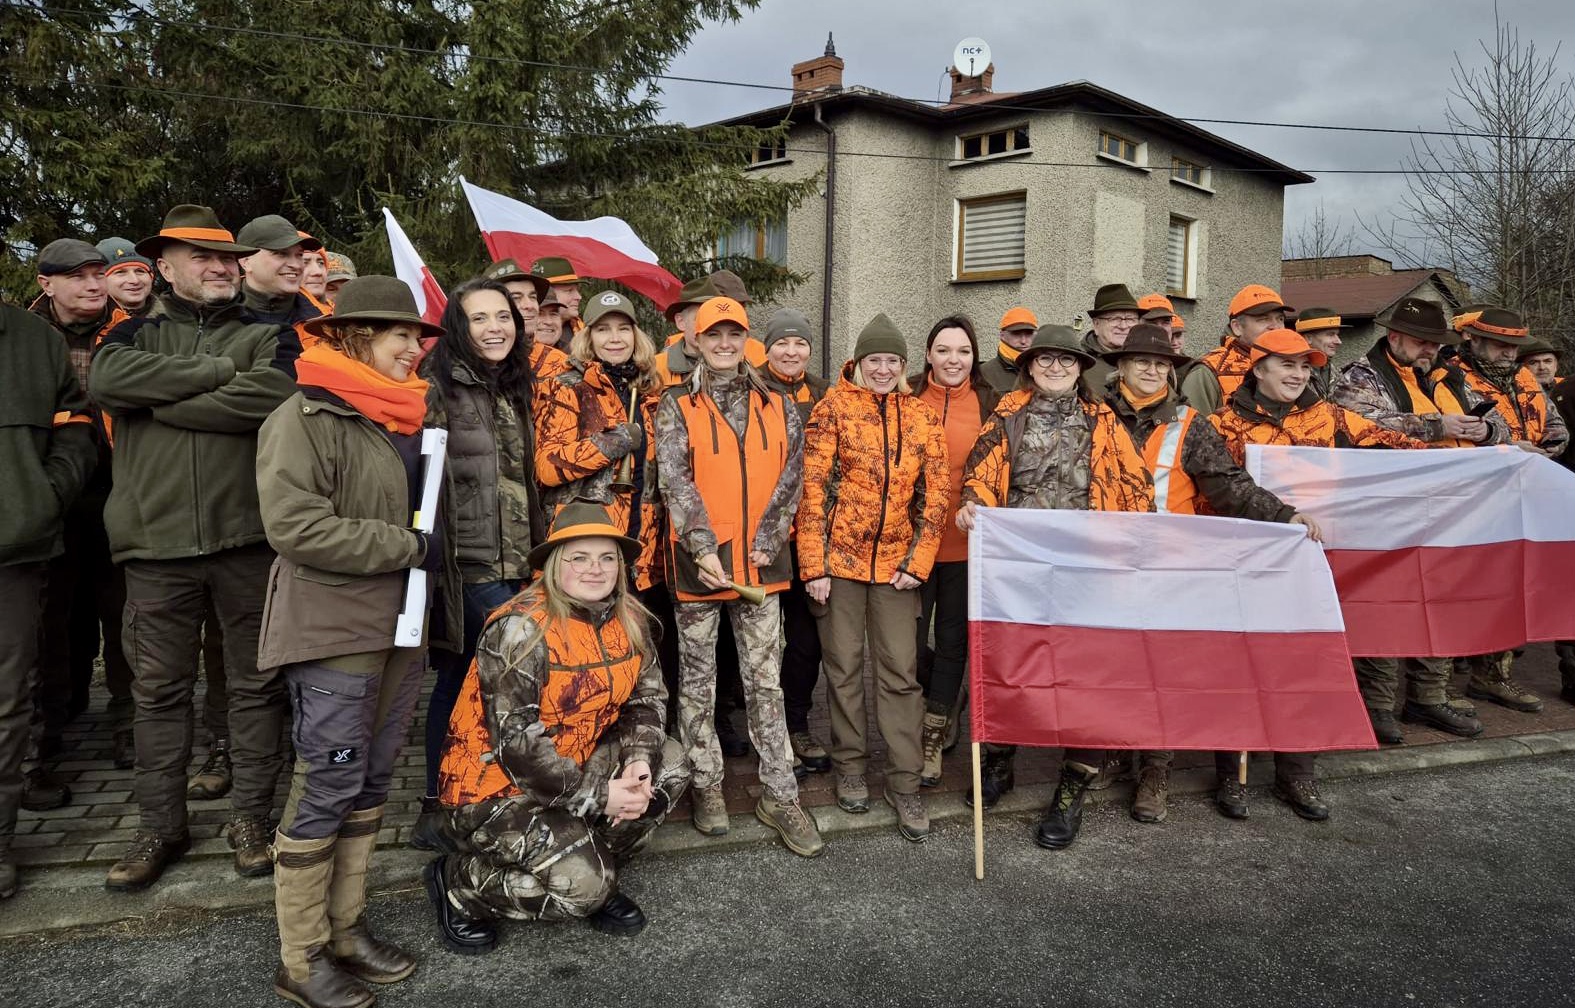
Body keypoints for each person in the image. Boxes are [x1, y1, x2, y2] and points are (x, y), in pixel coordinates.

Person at [91, 205, 299, 889]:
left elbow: (268, 399)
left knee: (254, 690)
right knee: (157, 695)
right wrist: (216, 374)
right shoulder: (129, 338)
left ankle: (251, 820)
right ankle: (160, 827)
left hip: (247, 541)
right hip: (153, 546)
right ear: (166, 267)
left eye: (227, 259)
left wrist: (164, 396)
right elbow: (107, 384)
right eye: (200, 258)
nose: (219, 268)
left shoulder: (271, 339)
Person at [255, 276, 441, 1008]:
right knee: (327, 780)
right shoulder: (306, 415)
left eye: (417, 338)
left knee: (369, 779)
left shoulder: (407, 417)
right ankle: (299, 960)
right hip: (335, 626)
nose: (413, 349)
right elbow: (295, 527)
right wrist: (404, 545)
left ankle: (345, 930)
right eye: (401, 337)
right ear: (357, 337)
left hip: (401, 626)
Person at [425, 503, 690, 951]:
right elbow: (517, 747)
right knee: (583, 891)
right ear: (553, 564)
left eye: (607, 558)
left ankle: (592, 864)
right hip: (495, 789)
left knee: (672, 765)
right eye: (579, 557)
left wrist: (638, 765)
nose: (595, 569)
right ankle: (459, 884)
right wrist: (603, 794)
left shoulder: (630, 619)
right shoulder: (519, 628)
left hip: (571, 769)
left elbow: (647, 701)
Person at [1102, 323, 1320, 823]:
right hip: (1108, 563)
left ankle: (1157, 768)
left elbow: (1228, 486)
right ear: (1121, 366)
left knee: (1162, 670)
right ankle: (1114, 750)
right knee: (1115, 664)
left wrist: (1283, 515)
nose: (1152, 370)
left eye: (1161, 364)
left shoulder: (1189, 424)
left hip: (1169, 567)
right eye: (1142, 362)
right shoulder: (1093, 414)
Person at [1209, 328, 1429, 821]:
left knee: (1303, 664)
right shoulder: (1220, 425)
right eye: (1286, 364)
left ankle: (1297, 772)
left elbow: (1397, 446)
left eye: (1305, 366)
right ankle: (1232, 772)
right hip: (1246, 564)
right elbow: (1212, 494)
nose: (1298, 374)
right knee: (1240, 667)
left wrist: (1492, 455)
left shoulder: (1328, 417)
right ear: (1258, 367)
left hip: (1311, 564)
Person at [956, 324, 1154, 849]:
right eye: (1044, 359)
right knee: (1010, 667)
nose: (1055, 368)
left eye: (1066, 360)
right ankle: (999, 764)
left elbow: (1136, 487)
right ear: (1028, 365)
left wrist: (1134, 543)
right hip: (1019, 569)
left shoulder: (1103, 420)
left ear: (1081, 367)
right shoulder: (1007, 415)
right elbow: (980, 472)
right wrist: (974, 503)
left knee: (1085, 679)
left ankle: (1072, 789)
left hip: (1088, 574)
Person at [654, 296, 824, 856]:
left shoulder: (779, 403)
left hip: (763, 565)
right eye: (714, 335)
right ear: (695, 342)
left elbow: (792, 478)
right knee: (698, 684)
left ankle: (780, 792)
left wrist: (768, 541)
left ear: (746, 339)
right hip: (699, 566)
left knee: (764, 681)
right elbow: (675, 481)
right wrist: (703, 547)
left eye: (734, 334)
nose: (724, 344)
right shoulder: (677, 404)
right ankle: (706, 785)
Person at [800, 313, 948, 841]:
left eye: (892, 361)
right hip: (838, 566)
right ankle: (851, 769)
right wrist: (813, 566)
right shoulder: (833, 409)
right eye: (874, 360)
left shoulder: (923, 418)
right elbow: (811, 492)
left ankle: (904, 781)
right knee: (842, 671)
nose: (883, 369)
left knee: (900, 674)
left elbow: (936, 498)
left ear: (904, 366)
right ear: (858, 364)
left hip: (896, 571)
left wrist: (918, 560)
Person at [411, 278, 545, 850]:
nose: (495, 328)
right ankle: (439, 801)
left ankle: (477, 788)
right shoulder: (436, 388)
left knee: (477, 676)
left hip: (515, 559)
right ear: (457, 329)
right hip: (466, 566)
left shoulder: (513, 385)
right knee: (467, 677)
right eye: (480, 318)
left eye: (504, 317)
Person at [1332, 296, 1502, 744]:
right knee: (1389, 604)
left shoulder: (1452, 376)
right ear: (1394, 337)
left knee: (1442, 603)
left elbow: (1499, 421)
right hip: (1390, 509)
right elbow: (1358, 423)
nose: (1429, 350)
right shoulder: (1359, 375)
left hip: (1452, 509)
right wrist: (1437, 426)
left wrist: (1485, 431)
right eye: (1421, 342)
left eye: (1435, 343)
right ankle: (1378, 704)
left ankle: (1428, 697)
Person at [0, 304, 96, 900]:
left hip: (12, 547)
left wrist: (42, 496)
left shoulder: (35, 339)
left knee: (6, 700)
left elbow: (77, 423)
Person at [30, 239, 129, 782]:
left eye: (99, 274)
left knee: (123, 614)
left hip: (118, 491)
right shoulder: (28, 337)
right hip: (50, 498)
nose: (94, 285)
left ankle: (126, 719)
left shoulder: (131, 330)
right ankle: (49, 730)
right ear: (47, 284)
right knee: (52, 619)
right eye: (80, 277)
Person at [1444, 307, 1567, 716]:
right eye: (1499, 344)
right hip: (1478, 498)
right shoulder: (1453, 376)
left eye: (1513, 346)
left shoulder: (1524, 377)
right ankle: (1453, 681)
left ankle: (1494, 673)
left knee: (1513, 585)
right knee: (1468, 589)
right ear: (1474, 340)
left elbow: (1556, 427)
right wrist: (1511, 449)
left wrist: (1544, 449)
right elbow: (1469, 431)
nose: (1507, 353)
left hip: (1526, 492)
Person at [910, 315, 999, 786]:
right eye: (943, 350)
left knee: (952, 644)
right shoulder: (905, 395)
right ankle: (939, 699)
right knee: (904, 644)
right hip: (911, 547)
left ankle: (934, 730)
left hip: (967, 545)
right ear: (928, 355)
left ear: (973, 356)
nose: (953, 360)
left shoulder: (991, 403)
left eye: (962, 351)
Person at [759, 309, 832, 774]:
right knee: (756, 639)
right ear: (766, 349)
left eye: (799, 343)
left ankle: (796, 721)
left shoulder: (826, 394)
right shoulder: (750, 388)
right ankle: (752, 723)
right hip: (762, 535)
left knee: (806, 639)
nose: (791, 351)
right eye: (782, 343)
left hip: (810, 535)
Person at [1191, 285, 1295, 412]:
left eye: (1280, 319)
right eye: (1263, 319)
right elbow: (1191, 428)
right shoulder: (1209, 371)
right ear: (1237, 327)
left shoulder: (1297, 366)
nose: (1275, 327)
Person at [653, 272, 768, 387]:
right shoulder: (654, 370)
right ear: (681, 321)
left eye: (716, 317)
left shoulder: (755, 363)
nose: (709, 324)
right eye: (700, 317)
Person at [236, 214, 327, 348]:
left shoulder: (325, 324)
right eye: (281, 254)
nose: (296, 264)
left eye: (299, 255)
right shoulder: (210, 317)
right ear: (246, 262)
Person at [483, 258, 569, 381]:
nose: (530, 305)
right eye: (516, 297)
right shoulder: (462, 363)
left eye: (533, 297)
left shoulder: (558, 363)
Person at [1079, 284, 1142, 394]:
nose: (1123, 326)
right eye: (1115, 319)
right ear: (1096, 325)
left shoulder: (1149, 360)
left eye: (1130, 319)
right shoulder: (1079, 361)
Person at [1293, 307, 1353, 400]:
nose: (1338, 341)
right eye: (1330, 334)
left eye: (1337, 334)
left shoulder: (1332, 370)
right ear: (1308, 338)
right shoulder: (1293, 374)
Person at [978, 306, 1038, 393]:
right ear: (1002, 335)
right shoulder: (984, 373)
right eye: (1016, 334)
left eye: (1029, 334)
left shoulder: (1044, 369)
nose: (1023, 341)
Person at [530, 257, 583, 346]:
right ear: (546, 291)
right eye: (569, 290)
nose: (579, 297)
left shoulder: (585, 335)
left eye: (553, 314)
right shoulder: (513, 342)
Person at [97, 238, 156, 315]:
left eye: (140, 271)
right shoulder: (89, 324)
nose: (135, 280)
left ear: (151, 276)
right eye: (120, 272)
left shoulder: (173, 317)